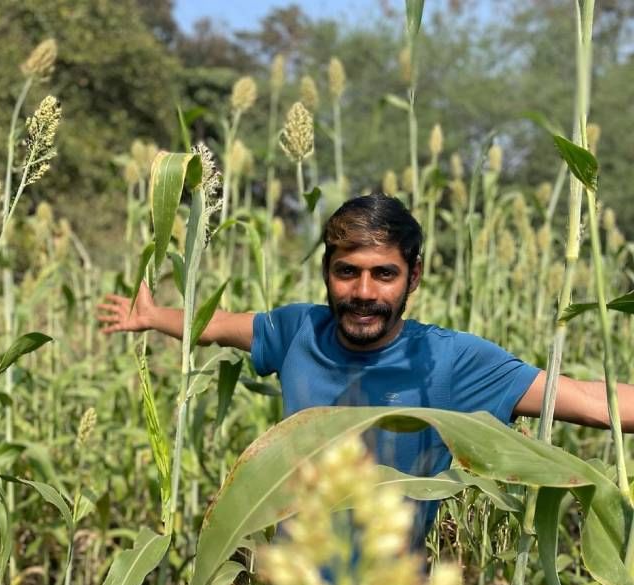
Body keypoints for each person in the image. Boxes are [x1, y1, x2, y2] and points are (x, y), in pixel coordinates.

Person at [98, 193, 634, 549]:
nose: (363, 293)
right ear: (327, 273)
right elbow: (220, 326)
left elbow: (588, 401)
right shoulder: (297, 330)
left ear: (413, 277)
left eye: (384, 274)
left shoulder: (449, 360)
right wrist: (153, 317)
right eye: (346, 272)